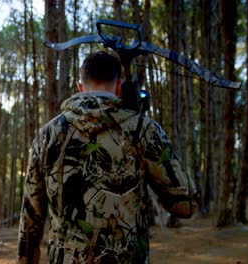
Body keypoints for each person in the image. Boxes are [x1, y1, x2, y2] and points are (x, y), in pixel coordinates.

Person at [18, 51, 197, 263]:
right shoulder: (143, 129)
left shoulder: (47, 135)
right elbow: (186, 204)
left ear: (80, 88)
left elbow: (30, 221)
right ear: (120, 87)